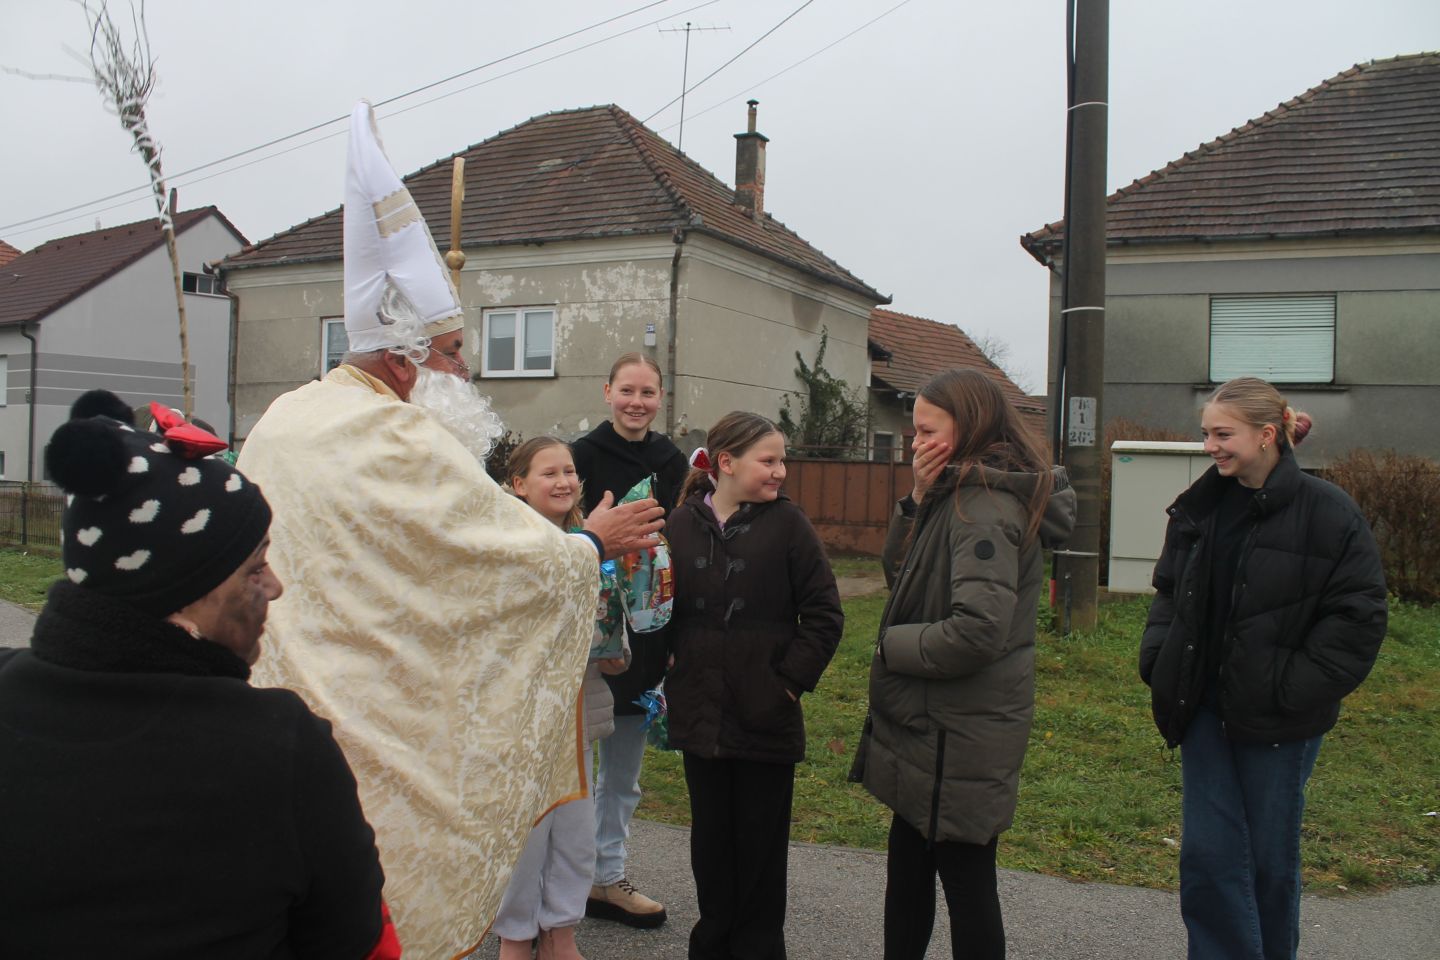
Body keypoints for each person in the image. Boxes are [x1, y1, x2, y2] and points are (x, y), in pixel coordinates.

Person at [237, 101, 664, 959]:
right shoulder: (398, 436)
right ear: (405, 359)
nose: (465, 374)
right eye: (453, 353)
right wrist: (593, 544)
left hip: (278, 716)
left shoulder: (286, 416)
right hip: (377, 729)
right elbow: (495, 562)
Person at [0, 390, 399, 960]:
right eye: (255, 567)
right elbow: (355, 941)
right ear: (182, 595)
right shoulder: (278, 746)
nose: (275, 587)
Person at [1140, 376, 1387, 960]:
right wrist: (1159, 657)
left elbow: (1358, 617)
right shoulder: (1201, 506)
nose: (1210, 447)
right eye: (1206, 434)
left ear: (1267, 434)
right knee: (1208, 857)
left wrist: (1289, 689)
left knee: (1268, 863)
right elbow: (1170, 589)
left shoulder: (1328, 511)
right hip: (1202, 710)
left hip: (1280, 721)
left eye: (1223, 435)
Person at [856, 368, 1075, 960]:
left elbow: (978, 631)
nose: (916, 442)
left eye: (929, 430)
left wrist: (891, 647)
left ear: (970, 426)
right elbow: (904, 579)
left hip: (960, 733)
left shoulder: (985, 506)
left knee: (966, 884)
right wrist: (916, 500)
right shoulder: (955, 490)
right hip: (932, 726)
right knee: (909, 872)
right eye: (914, 431)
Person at [663, 411, 844, 960]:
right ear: (727, 463)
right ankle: (712, 945)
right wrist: (667, 663)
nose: (780, 471)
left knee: (760, 852)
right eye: (768, 461)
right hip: (700, 716)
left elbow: (824, 616)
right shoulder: (680, 524)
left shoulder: (789, 526)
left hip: (765, 716)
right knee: (711, 847)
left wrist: (786, 686)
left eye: (782, 460)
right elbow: (660, 609)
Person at [493, 436, 630, 960]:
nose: (563, 482)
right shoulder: (507, 546)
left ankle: (560, 930)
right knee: (526, 830)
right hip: (524, 717)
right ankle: (515, 936)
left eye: (569, 471)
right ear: (519, 484)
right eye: (548, 473)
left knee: (574, 828)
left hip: (577, 712)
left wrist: (616, 652)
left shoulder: (588, 545)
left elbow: (609, 618)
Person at [570, 353, 689, 928]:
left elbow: (683, 541)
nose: (636, 402)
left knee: (622, 774)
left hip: (648, 631)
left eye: (647, 392)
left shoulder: (672, 461)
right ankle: (561, 881)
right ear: (607, 392)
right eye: (627, 390)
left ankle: (607, 875)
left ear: (660, 398)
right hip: (586, 631)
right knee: (571, 770)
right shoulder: (580, 456)